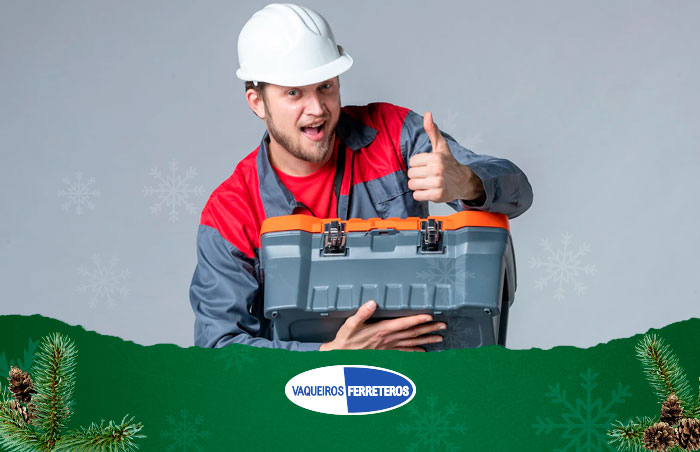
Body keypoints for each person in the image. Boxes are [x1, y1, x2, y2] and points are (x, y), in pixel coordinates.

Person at [189, 3, 533, 351]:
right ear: (257, 102)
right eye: (294, 93)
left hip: (422, 386)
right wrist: (328, 357)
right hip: (305, 399)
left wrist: (467, 183)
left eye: (325, 86)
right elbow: (219, 349)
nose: (317, 108)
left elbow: (518, 191)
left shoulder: (393, 134)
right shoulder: (231, 211)